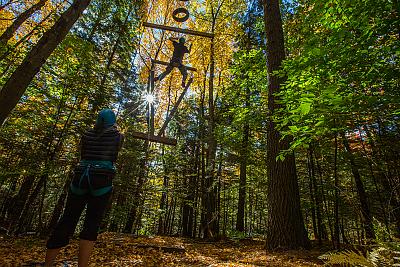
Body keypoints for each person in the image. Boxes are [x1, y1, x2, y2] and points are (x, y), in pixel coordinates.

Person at [44, 109, 124, 267]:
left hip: (80, 178)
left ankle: (48, 264)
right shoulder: (119, 136)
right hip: (102, 180)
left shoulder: (86, 134)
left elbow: (84, 153)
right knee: (92, 223)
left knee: (67, 219)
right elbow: (117, 148)